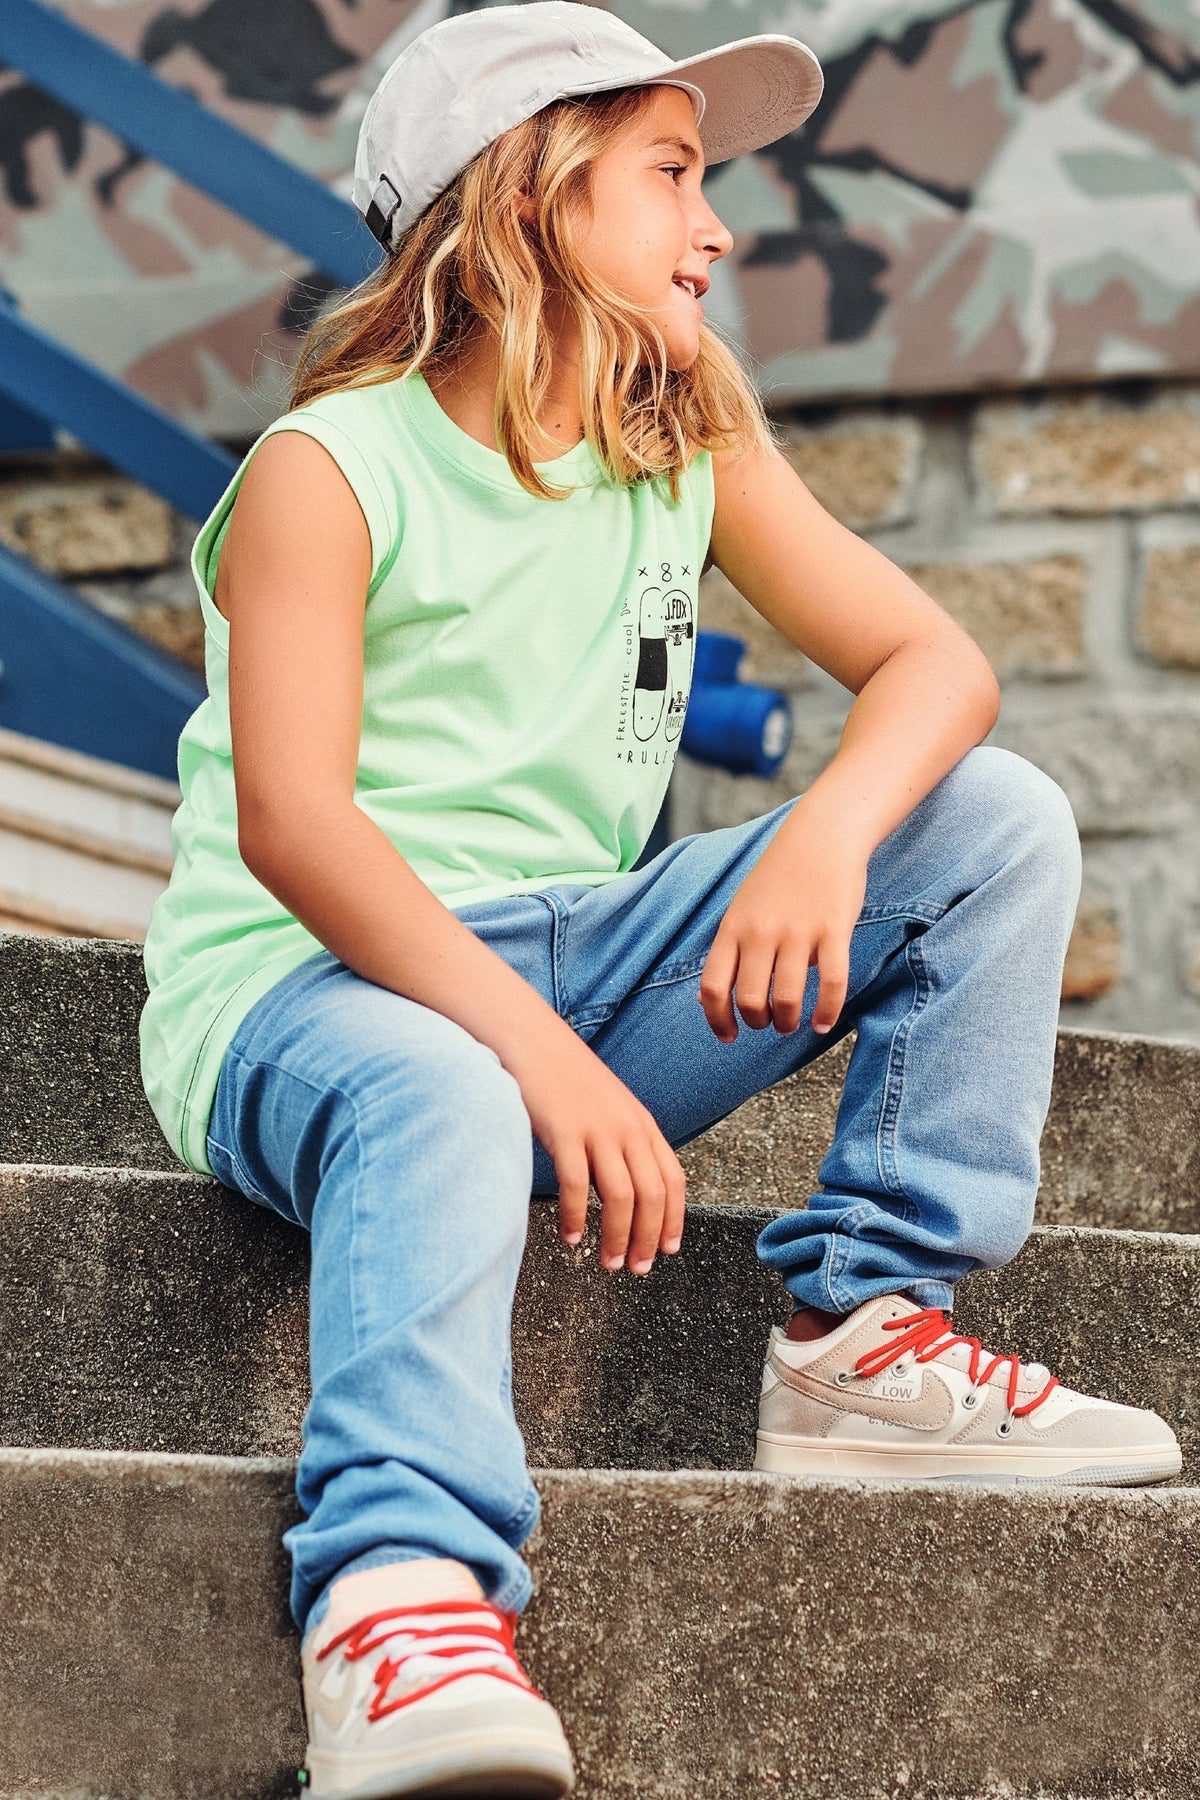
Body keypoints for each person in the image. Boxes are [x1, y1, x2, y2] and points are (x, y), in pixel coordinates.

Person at [137, 4, 1182, 1795]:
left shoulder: (678, 443)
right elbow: (300, 832)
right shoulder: (331, 470)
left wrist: (827, 834)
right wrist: (538, 1059)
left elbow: (938, 665)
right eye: (675, 175)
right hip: (309, 993)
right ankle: (397, 1596)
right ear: (532, 198)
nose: (717, 228)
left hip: (581, 964)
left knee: (991, 819)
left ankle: (859, 1339)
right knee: (446, 1084)